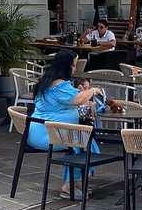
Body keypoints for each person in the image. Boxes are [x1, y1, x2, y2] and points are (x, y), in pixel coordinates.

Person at [27, 49, 106, 199]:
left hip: (41, 130)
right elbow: (79, 99)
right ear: (66, 66)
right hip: (46, 133)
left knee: (81, 137)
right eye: (74, 65)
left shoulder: (47, 82)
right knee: (82, 140)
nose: (75, 69)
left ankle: (76, 180)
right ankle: (71, 185)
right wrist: (94, 90)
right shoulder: (59, 86)